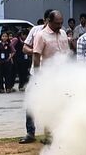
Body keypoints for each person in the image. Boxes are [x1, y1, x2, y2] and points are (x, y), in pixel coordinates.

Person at [20, 10, 70, 144]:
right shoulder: (40, 35)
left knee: (54, 104)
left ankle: (51, 135)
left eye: (61, 23)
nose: (60, 26)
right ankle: (30, 132)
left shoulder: (63, 33)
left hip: (58, 75)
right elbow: (36, 56)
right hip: (43, 75)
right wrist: (37, 78)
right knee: (32, 102)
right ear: (48, 21)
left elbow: (66, 54)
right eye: (57, 23)